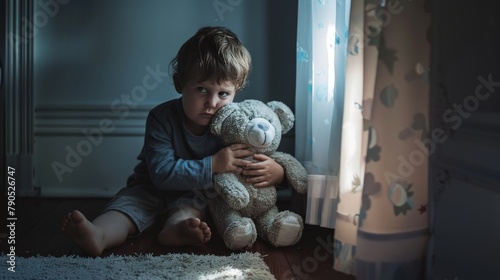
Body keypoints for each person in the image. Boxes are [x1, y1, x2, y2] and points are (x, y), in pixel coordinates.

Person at [61, 26, 286, 257]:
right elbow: (161, 173)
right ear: (180, 83)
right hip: (150, 187)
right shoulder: (161, 118)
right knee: (127, 208)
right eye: (202, 89)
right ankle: (99, 234)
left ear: (236, 91)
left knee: (189, 211)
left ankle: (177, 231)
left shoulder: (235, 126)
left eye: (223, 94)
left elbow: (254, 161)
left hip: (197, 194)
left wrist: (277, 173)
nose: (211, 102)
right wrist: (214, 164)